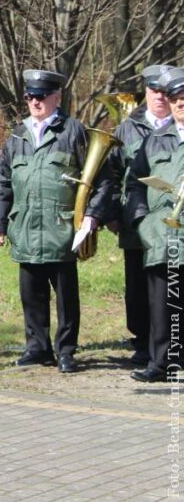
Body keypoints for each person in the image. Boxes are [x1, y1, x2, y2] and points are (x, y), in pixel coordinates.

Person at [0, 69, 113, 374]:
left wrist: (93, 215)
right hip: (26, 228)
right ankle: (37, 348)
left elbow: (103, 179)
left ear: (57, 97)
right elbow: (2, 181)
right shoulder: (17, 135)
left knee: (66, 297)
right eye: (30, 96)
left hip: (63, 229)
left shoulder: (74, 132)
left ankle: (66, 350)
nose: (35, 101)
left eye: (41, 96)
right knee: (32, 295)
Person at [106, 64, 175, 367]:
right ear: (145, 92)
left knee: (170, 286)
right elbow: (112, 173)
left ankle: (172, 346)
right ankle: (142, 343)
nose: (159, 97)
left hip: (174, 225)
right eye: (153, 91)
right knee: (136, 288)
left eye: (164, 92)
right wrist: (113, 213)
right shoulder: (126, 127)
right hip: (137, 222)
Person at [125, 66, 184, 382]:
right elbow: (135, 182)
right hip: (161, 233)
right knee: (161, 305)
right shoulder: (155, 140)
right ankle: (161, 363)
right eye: (175, 99)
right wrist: (141, 220)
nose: (179, 104)